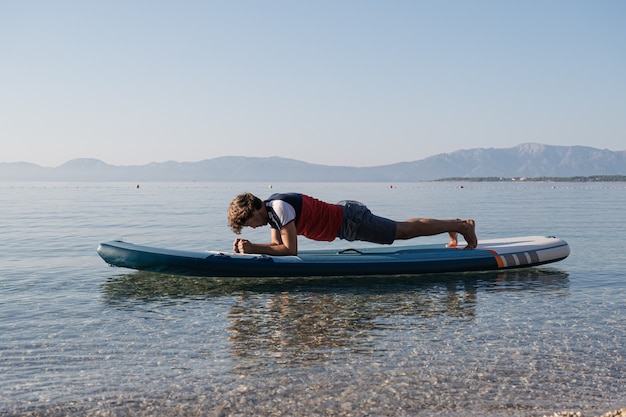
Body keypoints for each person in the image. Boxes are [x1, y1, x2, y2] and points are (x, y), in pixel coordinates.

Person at [228, 192, 478, 256]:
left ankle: (462, 226)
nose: (250, 228)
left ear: (256, 208)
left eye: (248, 222)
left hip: (350, 221)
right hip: (344, 221)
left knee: (403, 231)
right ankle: (454, 224)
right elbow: (275, 245)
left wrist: (253, 249)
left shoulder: (279, 207)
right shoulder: (272, 212)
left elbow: (290, 251)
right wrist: (250, 249)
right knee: (403, 229)